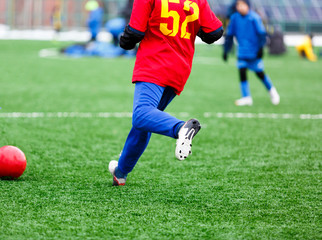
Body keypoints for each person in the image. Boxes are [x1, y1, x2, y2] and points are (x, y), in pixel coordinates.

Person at [108, 0, 223, 186]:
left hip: (154, 62)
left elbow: (135, 31)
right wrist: (194, 27)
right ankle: (121, 172)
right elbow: (214, 32)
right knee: (146, 123)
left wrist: (123, 42)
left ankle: (181, 129)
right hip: (180, 68)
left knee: (141, 115)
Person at [223, 0, 280, 106]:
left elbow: (262, 34)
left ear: (248, 5)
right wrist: (226, 50)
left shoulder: (254, 17)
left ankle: (272, 91)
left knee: (259, 73)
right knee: (242, 71)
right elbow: (230, 35)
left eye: (242, 4)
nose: (240, 7)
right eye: (238, 5)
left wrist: (260, 49)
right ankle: (246, 97)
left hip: (254, 51)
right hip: (242, 51)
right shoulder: (234, 18)